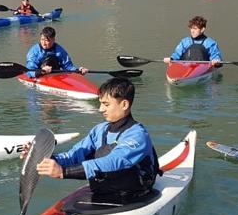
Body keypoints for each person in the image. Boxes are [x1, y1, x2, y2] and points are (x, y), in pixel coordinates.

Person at [21, 78, 160, 202]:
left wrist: (64, 172)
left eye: (106, 104)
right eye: (100, 104)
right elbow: (73, 156)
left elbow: (115, 161)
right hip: (104, 193)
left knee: (109, 159)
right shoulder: (99, 130)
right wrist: (44, 159)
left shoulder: (137, 135)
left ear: (124, 105)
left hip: (135, 194)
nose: (100, 109)